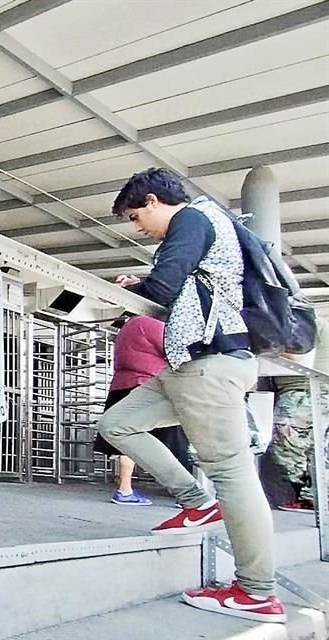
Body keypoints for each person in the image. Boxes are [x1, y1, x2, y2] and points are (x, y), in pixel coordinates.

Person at [97, 168, 285, 623]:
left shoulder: (194, 219)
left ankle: (258, 591)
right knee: (116, 424)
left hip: (207, 363)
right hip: (186, 367)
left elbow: (162, 287)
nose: (138, 227)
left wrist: (130, 288)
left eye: (136, 216)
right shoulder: (211, 225)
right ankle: (197, 503)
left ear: (154, 201)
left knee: (232, 472)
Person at [93, 316, 191, 505]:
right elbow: (175, 350)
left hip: (121, 385)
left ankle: (125, 490)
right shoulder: (151, 324)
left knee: (128, 438)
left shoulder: (125, 329)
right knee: (174, 440)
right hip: (147, 386)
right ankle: (187, 496)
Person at [269, 317, 329, 512]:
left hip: (302, 391)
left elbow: (294, 355)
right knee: (318, 449)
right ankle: (316, 497)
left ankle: (309, 497)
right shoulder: (313, 321)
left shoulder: (297, 320)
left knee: (288, 446)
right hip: (317, 391)